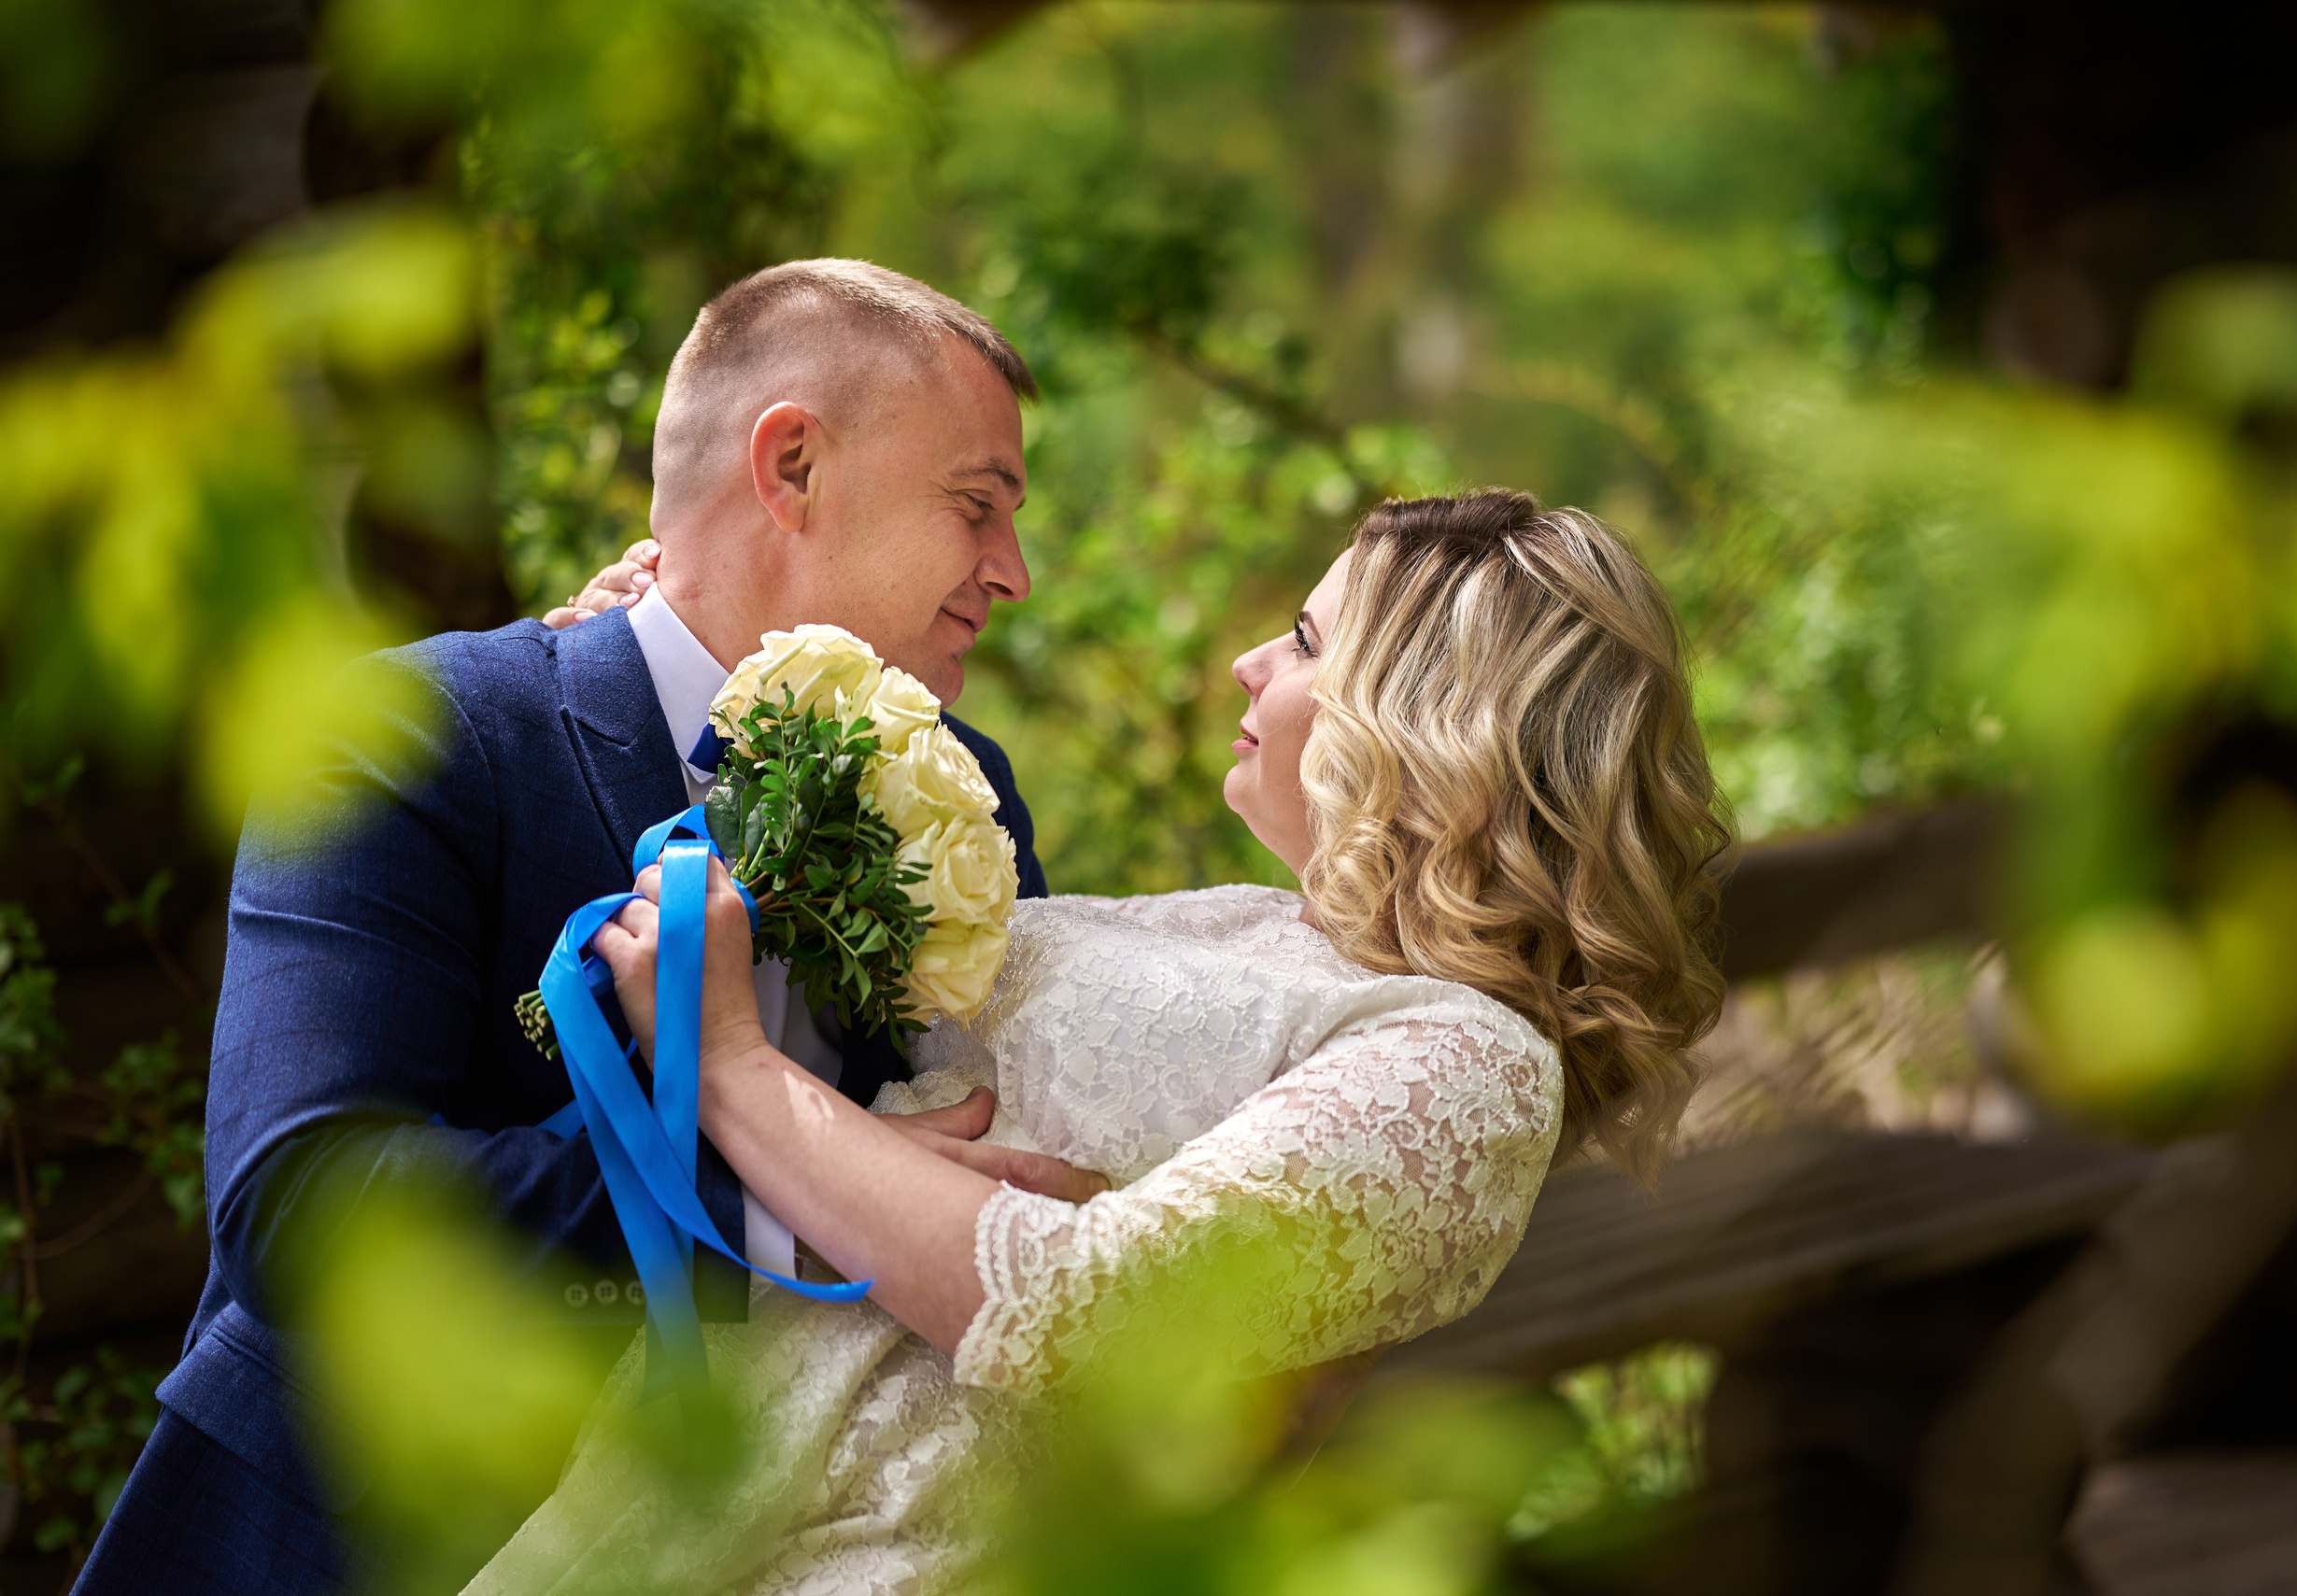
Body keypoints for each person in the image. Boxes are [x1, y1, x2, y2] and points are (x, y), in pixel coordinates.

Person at [469, 488, 1732, 1594]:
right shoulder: (1252, 925)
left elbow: (1080, 1304)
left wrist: (729, 1065)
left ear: (1434, 722)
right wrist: (681, 669)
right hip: (700, 1484)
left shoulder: (1475, 1069)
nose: (1247, 662)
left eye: (1305, 642)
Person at [76, 260, 1105, 1596]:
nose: (1012, 573)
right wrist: (798, 1205)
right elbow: (308, 1206)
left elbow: (1013, 1158)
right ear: (792, 467)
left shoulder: (967, 800)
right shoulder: (422, 735)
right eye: (977, 505)